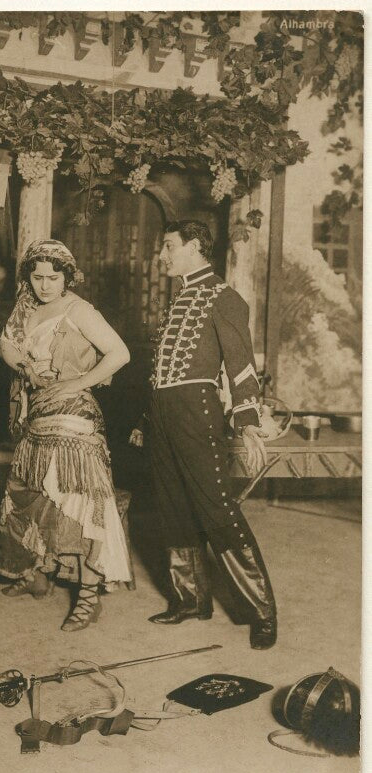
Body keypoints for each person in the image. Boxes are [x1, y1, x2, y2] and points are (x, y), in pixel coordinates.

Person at [132, 220, 277, 649]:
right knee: (173, 506)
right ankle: (190, 599)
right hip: (164, 414)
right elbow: (161, 372)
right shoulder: (177, 299)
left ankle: (262, 611)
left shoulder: (223, 297)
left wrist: (248, 422)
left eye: (168, 246)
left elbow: (241, 365)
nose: (162, 255)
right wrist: (145, 420)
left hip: (198, 413)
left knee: (217, 509)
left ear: (194, 247)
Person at [0, 239, 132, 632]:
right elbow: (6, 344)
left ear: (68, 277)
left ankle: (89, 596)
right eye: (37, 277)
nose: (44, 285)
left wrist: (78, 385)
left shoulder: (79, 310)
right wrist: (22, 364)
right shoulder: (25, 309)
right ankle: (37, 571)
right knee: (28, 492)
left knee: (76, 500)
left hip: (74, 416)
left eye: (53, 278)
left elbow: (120, 354)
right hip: (36, 414)